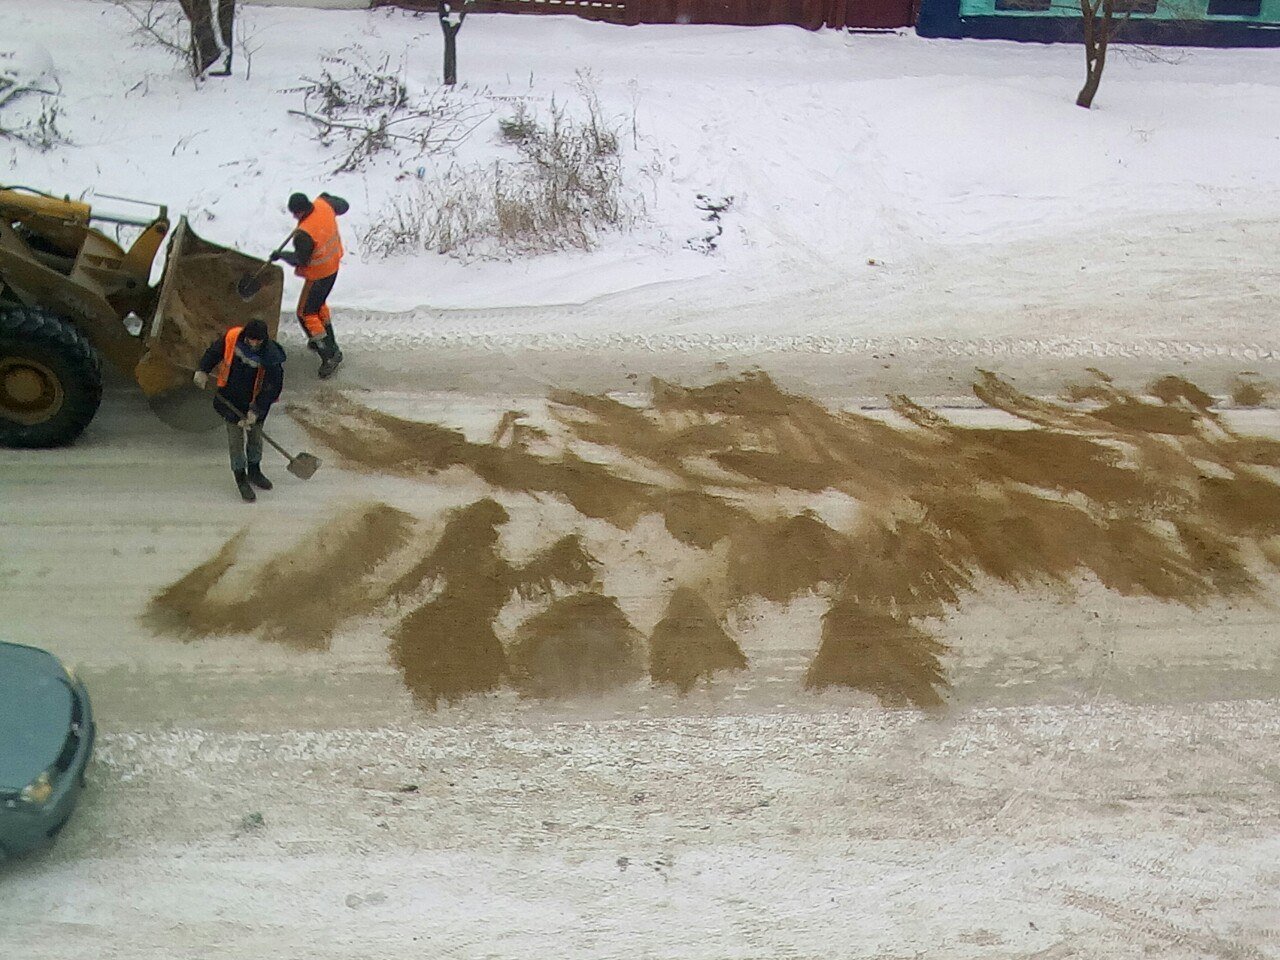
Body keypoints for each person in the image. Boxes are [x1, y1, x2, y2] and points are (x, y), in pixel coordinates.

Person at [193, 319, 286, 503]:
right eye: (251, 340)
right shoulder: (233, 338)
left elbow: (272, 388)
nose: (254, 344)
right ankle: (240, 477)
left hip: (255, 403)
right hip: (230, 400)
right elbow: (214, 352)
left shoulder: (271, 356)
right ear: (246, 336)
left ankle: (255, 470)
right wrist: (203, 370)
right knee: (235, 442)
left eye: (258, 341)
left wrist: (256, 411)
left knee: (255, 438)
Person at [272, 191, 349, 379]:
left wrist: (281, 255)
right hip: (332, 267)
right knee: (319, 305)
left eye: (294, 213)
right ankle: (325, 340)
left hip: (319, 274)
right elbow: (344, 205)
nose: (293, 217)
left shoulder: (304, 235)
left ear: (299, 211)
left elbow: (301, 260)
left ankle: (329, 355)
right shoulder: (323, 203)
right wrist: (330, 198)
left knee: (306, 314)